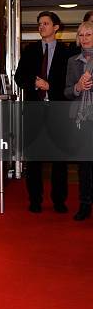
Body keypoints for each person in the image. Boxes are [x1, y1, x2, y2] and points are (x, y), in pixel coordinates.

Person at [14, 11, 70, 213]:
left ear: (56, 27)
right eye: (39, 24)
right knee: (34, 159)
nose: (41, 27)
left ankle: (59, 201)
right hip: (34, 111)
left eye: (46, 23)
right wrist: (35, 83)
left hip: (57, 111)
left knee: (59, 160)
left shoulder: (67, 53)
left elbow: (69, 83)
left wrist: (50, 86)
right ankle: (35, 200)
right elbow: (19, 77)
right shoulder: (30, 51)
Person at [64, 21, 93, 221]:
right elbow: (66, 91)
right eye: (81, 35)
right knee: (84, 165)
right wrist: (77, 87)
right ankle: (84, 204)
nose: (84, 38)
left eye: (88, 34)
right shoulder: (72, 61)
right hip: (81, 120)